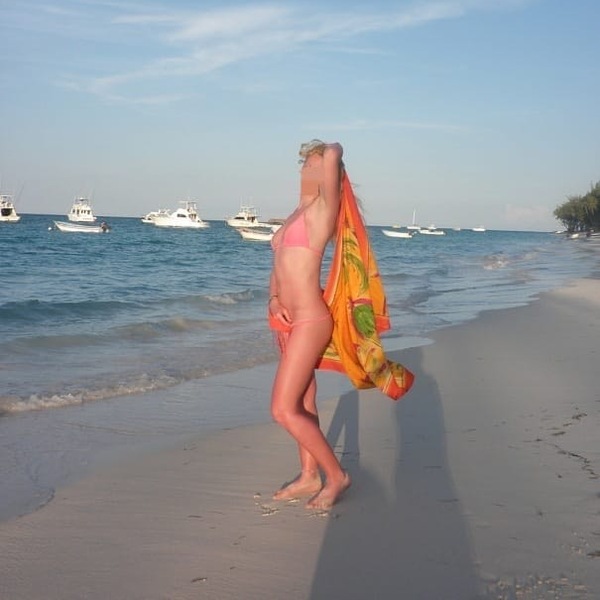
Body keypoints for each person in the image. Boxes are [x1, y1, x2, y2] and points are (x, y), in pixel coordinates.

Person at [268, 139, 350, 510]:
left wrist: (326, 151)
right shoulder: (296, 213)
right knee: (302, 400)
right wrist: (273, 298)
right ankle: (308, 476)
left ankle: (337, 476)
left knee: (282, 410)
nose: (307, 169)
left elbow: (334, 152)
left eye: (313, 164)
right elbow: (279, 264)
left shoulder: (324, 209)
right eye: (304, 164)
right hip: (284, 318)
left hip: (309, 320)